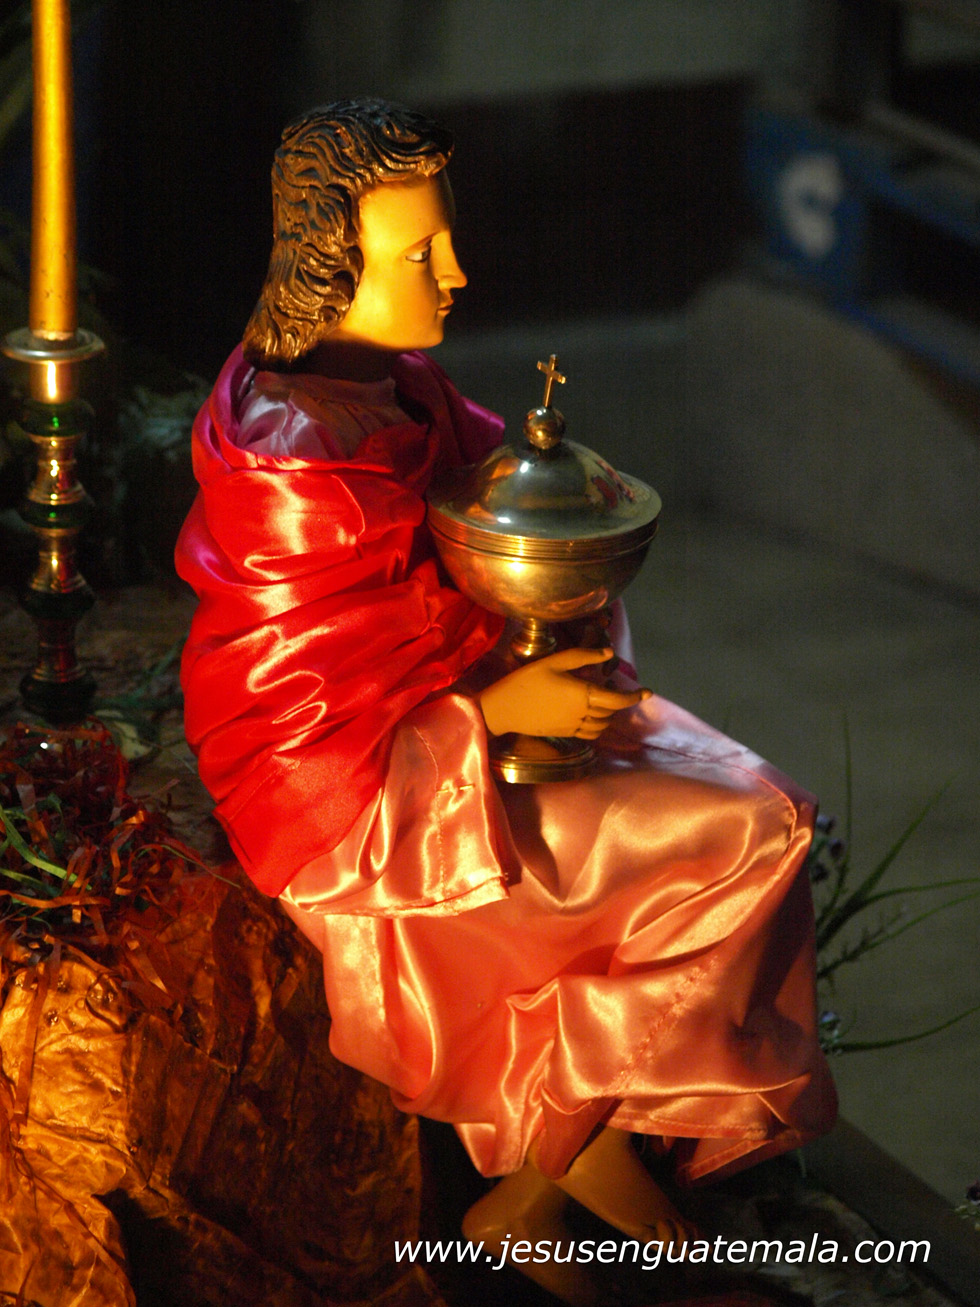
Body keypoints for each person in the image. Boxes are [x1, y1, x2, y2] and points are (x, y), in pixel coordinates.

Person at [175, 98, 836, 1303]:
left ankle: (543, 1184)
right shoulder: (292, 467)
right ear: (330, 259)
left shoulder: (383, 380)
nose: (455, 274)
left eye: (446, 240)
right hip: (372, 812)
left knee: (754, 806)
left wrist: (555, 506)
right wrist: (488, 717)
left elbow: (472, 499)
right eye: (419, 253)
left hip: (468, 715)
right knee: (748, 833)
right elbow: (304, 712)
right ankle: (561, 1150)